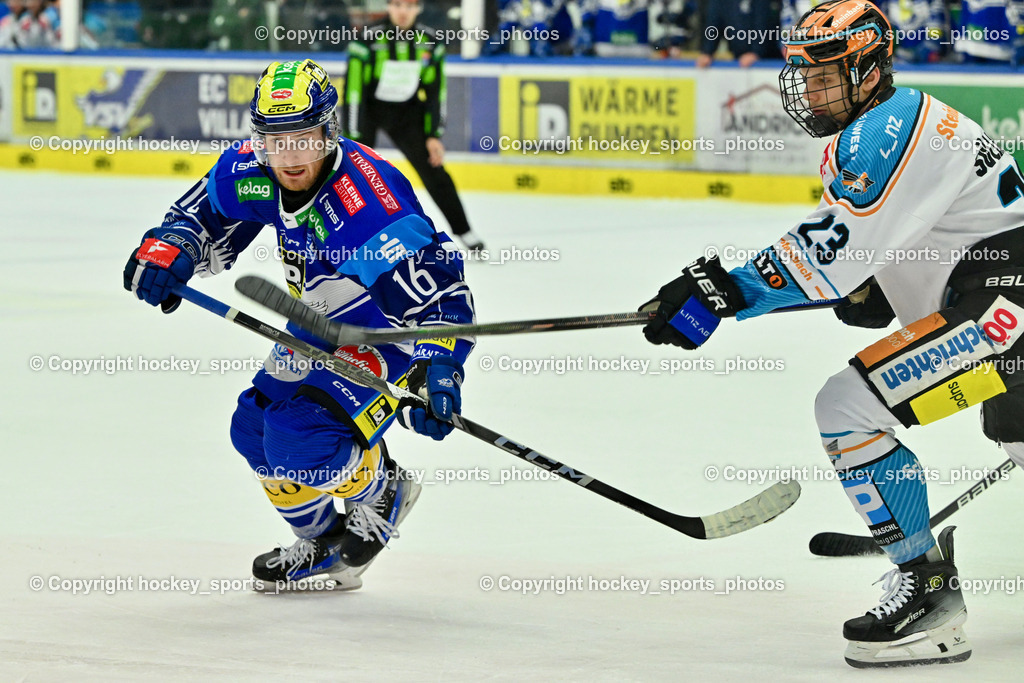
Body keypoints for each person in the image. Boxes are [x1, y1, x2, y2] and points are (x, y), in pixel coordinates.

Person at [640, 0, 1024, 668]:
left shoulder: (889, 127)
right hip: (997, 299)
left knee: (848, 407)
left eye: (826, 75)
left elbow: (828, 255)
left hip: (1006, 307)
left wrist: (724, 289)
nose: (810, 90)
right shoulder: (891, 124)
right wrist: (872, 288)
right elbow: (888, 246)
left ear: (871, 69)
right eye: (805, 76)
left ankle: (930, 597)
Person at [123, 59, 475, 590]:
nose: (289, 158)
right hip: (319, 320)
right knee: (251, 430)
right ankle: (325, 546)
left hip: (383, 333)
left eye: (304, 140)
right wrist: (170, 249)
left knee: (298, 437)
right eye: (274, 141)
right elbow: (197, 217)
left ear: (330, 131)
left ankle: (382, 490)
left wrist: (439, 366)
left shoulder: (368, 203)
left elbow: (441, 295)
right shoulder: (253, 169)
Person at [342, 0, 486, 253]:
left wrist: (433, 134)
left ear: (418, 9)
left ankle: (464, 230)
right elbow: (353, 92)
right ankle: (344, 233)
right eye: (397, 4)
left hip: (407, 112)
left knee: (435, 169)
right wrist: (352, 140)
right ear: (388, 7)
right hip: (370, 110)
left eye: (409, 5)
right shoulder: (366, 40)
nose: (402, 11)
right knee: (352, 173)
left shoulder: (430, 42)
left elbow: (435, 92)